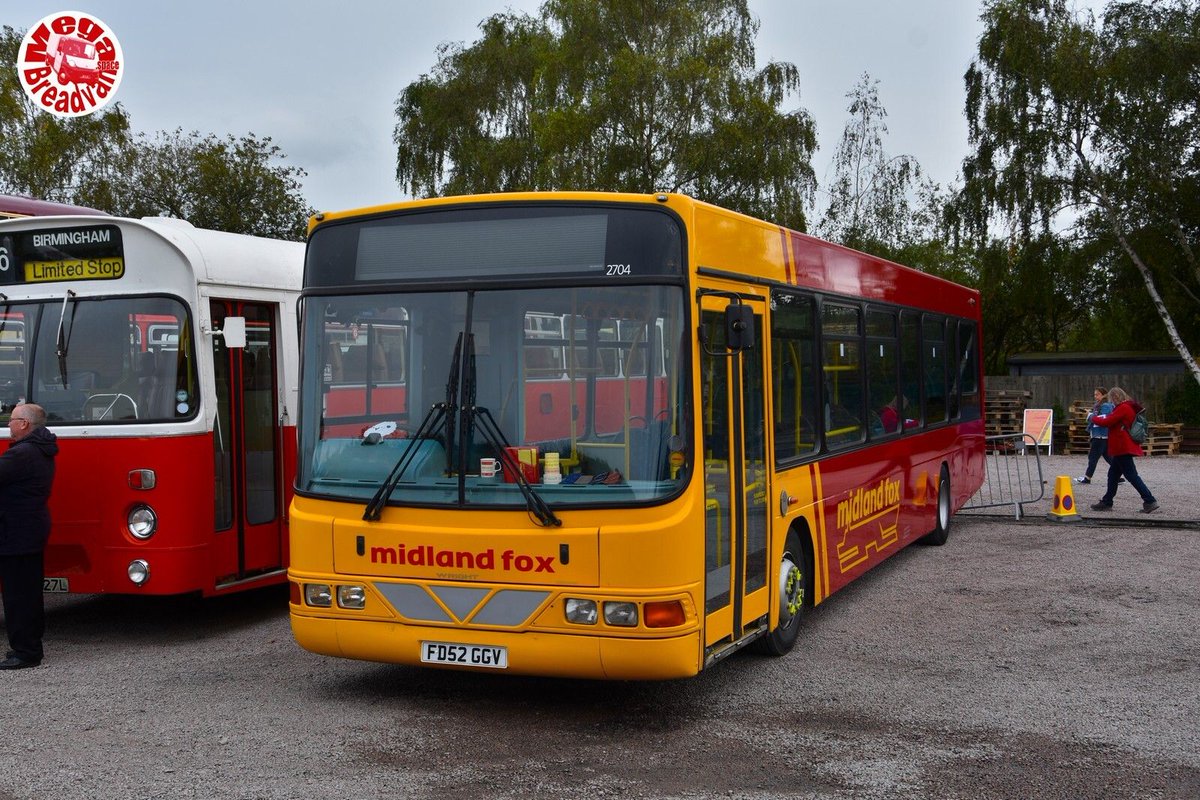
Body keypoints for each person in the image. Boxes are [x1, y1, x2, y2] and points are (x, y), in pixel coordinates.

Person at [0, 403, 59, 669]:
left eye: (11, 420)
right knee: (28, 593)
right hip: (28, 528)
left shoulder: (23, 453)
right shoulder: (39, 449)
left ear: (24, 424)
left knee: (18, 596)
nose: (7, 425)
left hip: (17, 531)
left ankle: (25, 651)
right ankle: (29, 646)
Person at [1089, 387, 1158, 514]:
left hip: (1122, 447)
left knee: (1131, 475)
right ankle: (1107, 501)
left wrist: (1092, 418)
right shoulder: (1126, 406)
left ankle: (1149, 500)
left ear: (1115, 397)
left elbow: (1108, 421)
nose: (1112, 401)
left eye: (1112, 399)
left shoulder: (1123, 408)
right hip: (1122, 447)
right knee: (1113, 475)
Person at [1076, 387, 1113, 484]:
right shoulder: (1103, 405)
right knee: (1109, 458)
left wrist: (1089, 415)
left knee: (1093, 458)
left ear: (1104, 395)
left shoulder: (1105, 406)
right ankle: (1118, 476)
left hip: (1100, 436)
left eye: (1097, 394)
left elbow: (1102, 420)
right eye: (1095, 394)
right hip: (1101, 436)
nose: (1095, 396)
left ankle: (1087, 478)